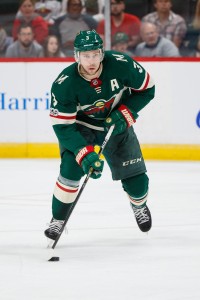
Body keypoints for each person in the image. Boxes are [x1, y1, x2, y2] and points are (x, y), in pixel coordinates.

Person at [44, 30, 155, 241]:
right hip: (81, 127)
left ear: (102, 52)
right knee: (70, 172)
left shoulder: (120, 63)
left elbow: (148, 88)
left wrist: (127, 112)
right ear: (77, 56)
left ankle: (139, 205)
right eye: (86, 55)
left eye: (95, 54)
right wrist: (83, 153)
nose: (91, 60)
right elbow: (63, 127)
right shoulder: (64, 84)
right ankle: (58, 219)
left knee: (137, 181)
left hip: (116, 124)